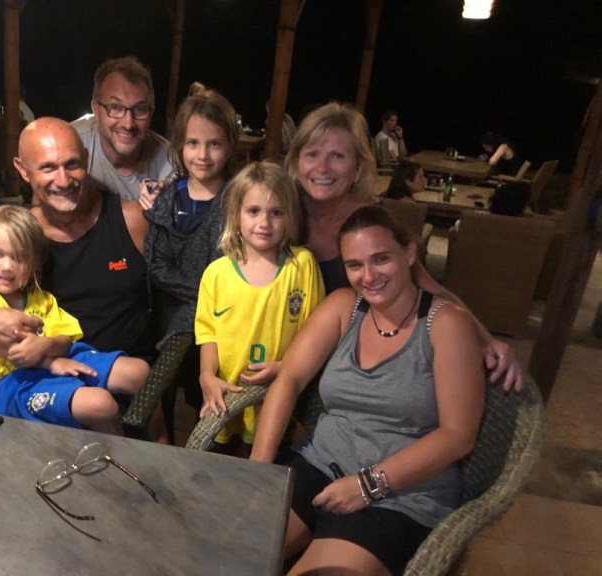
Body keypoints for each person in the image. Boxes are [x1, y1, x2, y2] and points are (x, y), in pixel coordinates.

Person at [251, 205, 485, 575]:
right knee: (225, 554)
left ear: (409, 253)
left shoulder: (445, 324)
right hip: (319, 464)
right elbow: (290, 378)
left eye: (381, 259)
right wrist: (258, 469)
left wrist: (367, 485)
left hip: (400, 494)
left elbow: (458, 436)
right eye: (355, 265)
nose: (369, 276)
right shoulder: (344, 306)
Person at [0, 117, 155, 398]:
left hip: (125, 382)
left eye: (72, 164)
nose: (63, 180)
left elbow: (181, 299)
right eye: (48, 167)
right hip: (43, 383)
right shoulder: (10, 239)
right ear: (23, 170)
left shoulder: (132, 220)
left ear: (86, 159)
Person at [285, 101, 522, 390]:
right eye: (312, 154)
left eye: (337, 156)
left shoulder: (373, 222)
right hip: (282, 352)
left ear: (358, 168)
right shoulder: (279, 213)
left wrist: (487, 340)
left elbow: (431, 289)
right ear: (297, 162)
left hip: (347, 367)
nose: (322, 167)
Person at [0, 205, 148, 434]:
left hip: (54, 358)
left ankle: (148, 439)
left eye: (19, 257)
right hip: (7, 383)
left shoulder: (39, 297)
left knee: (139, 372)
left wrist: (47, 345)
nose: (7, 267)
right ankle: (113, 450)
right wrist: (50, 363)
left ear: (33, 262)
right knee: (99, 405)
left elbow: (66, 337)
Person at [195, 161, 325, 456]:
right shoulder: (216, 274)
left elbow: (314, 333)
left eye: (276, 212)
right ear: (236, 215)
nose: (264, 222)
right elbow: (208, 334)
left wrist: (286, 367)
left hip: (280, 399)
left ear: (290, 216)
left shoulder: (302, 265)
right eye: (253, 211)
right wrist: (207, 376)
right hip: (227, 399)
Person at [140, 85, 240, 442]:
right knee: (163, 399)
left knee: (209, 406)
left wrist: (206, 300)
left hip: (219, 328)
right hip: (164, 318)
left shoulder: (238, 202)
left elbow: (230, 274)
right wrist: (202, 293)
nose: (203, 155)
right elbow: (155, 265)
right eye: (193, 143)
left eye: (214, 144)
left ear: (230, 146)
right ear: (180, 145)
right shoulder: (168, 196)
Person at [71, 56, 174, 201]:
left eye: (140, 110)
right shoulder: (70, 143)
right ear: (96, 109)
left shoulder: (170, 163)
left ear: (151, 114)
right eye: (115, 107)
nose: (128, 124)